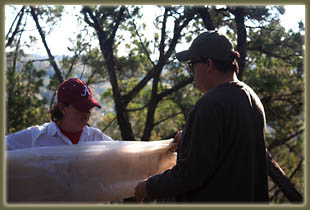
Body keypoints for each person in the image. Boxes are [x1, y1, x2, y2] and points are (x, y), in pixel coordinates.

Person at [135, 31, 269, 203]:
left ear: (209, 64)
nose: (191, 71)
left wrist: (147, 187)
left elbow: (190, 175)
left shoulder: (210, 105)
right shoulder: (251, 98)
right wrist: (188, 139)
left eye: (192, 64)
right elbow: (231, 148)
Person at [6, 78, 113, 150]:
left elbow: (124, 153)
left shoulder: (97, 138)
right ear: (62, 108)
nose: (86, 114)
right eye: (80, 108)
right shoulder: (36, 137)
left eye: (88, 108)